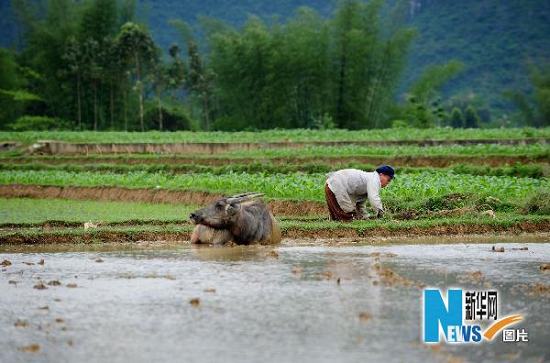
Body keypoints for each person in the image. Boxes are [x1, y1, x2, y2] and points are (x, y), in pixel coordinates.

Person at [324, 165, 394, 221]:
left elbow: (359, 204)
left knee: (339, 216)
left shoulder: (368, 181)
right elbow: (374, 198)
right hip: (335, 185)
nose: (388, 183)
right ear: (381, 175)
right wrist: (380, 212)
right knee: (347, 216)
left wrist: (365, 217)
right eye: (388, 180)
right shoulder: (374, 179)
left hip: (333, 184)